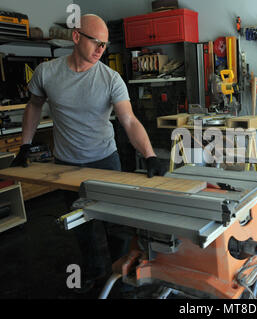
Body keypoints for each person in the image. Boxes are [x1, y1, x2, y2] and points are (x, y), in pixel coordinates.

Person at [11, 14, 167, 294]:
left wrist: (150, 155)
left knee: (115, 224)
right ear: (76, 37)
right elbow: (33, 106)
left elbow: (129, 121)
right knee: (80, 223)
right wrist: (25, 145)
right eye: (96, 42)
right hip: (67, 164)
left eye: (105, 45)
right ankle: (95, 273)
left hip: (105, 160)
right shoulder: (47, 73)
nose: (101, 50)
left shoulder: (111, 79)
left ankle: (120, 274)